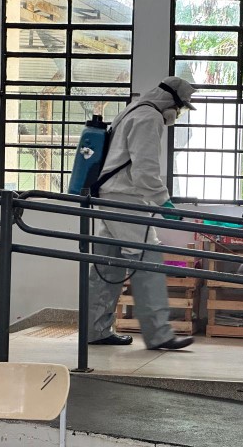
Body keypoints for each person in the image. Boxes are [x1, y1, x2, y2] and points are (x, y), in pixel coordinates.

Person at [87, 76, 196, 350]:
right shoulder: (150, 118)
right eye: (181, 108)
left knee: (107, 264)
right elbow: (145, 171)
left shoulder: (132, 110)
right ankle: (159, 334)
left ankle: (95, 330)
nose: (178, 115)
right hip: (125, 198)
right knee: (148, 260)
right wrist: (164, 203)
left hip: (108, 195)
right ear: (171, 102)